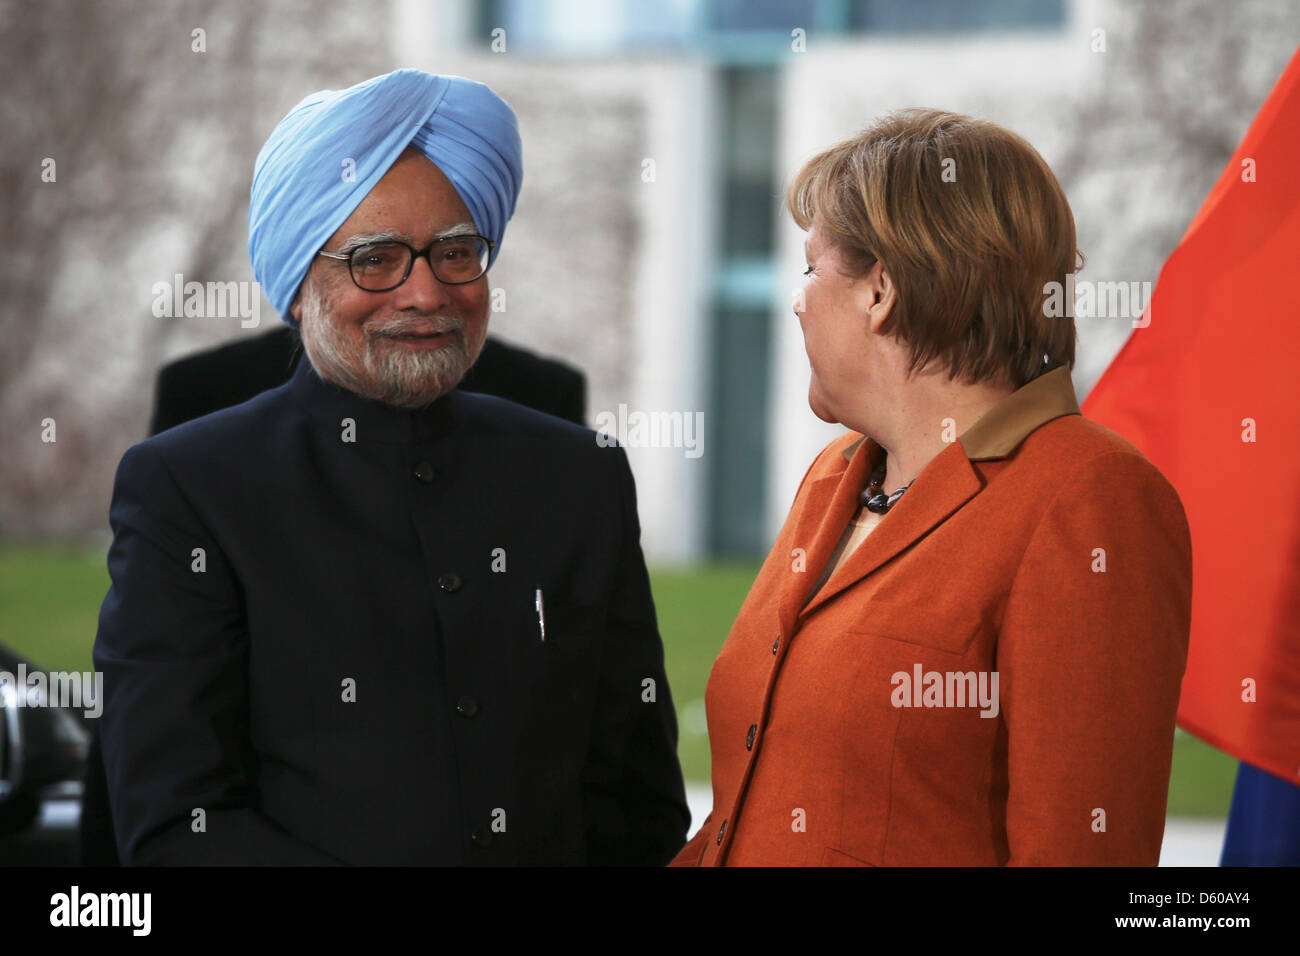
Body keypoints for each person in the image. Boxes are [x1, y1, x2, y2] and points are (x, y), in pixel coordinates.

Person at [94, 69, 688, 866]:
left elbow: (636, 808)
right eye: (375, 259)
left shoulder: (578, 477)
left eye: (455, 252)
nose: (424, 292)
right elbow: (176, 824)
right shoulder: (190, 489)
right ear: (300, 283)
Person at [672, 109, 1192, 866]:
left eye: (811, 269)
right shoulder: (835, 476)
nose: (796, 300)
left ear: (880, 290)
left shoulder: (1090, 498)